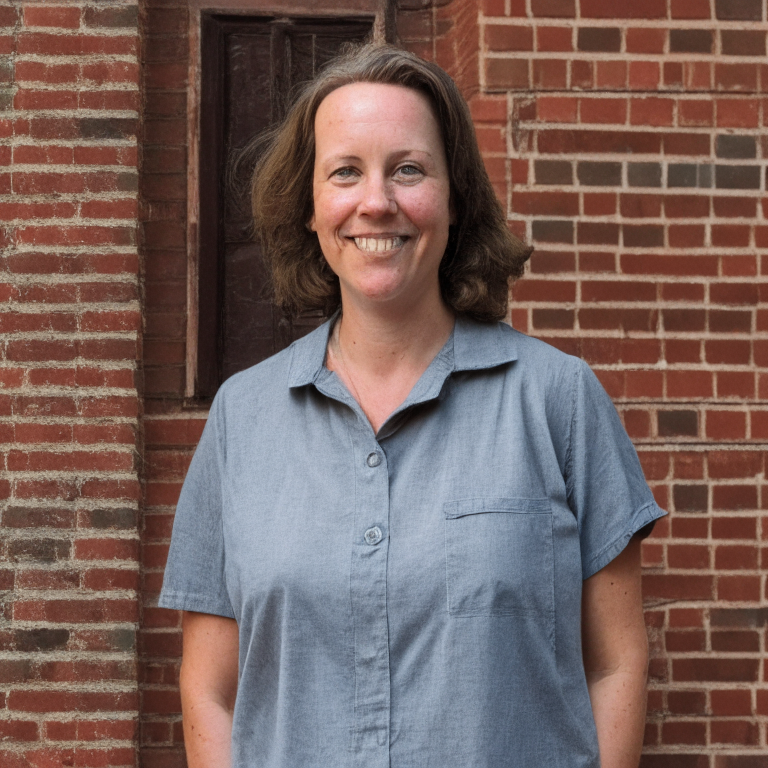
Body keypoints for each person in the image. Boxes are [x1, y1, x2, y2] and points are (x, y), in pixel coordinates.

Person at [159, 43, 667, 768]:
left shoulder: (558, 399)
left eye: (408, 169)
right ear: (309, 207)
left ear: (454, 198)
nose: (377, 202)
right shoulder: (242, 419)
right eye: (345, 172)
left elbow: (616, 663)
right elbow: (211, 688)